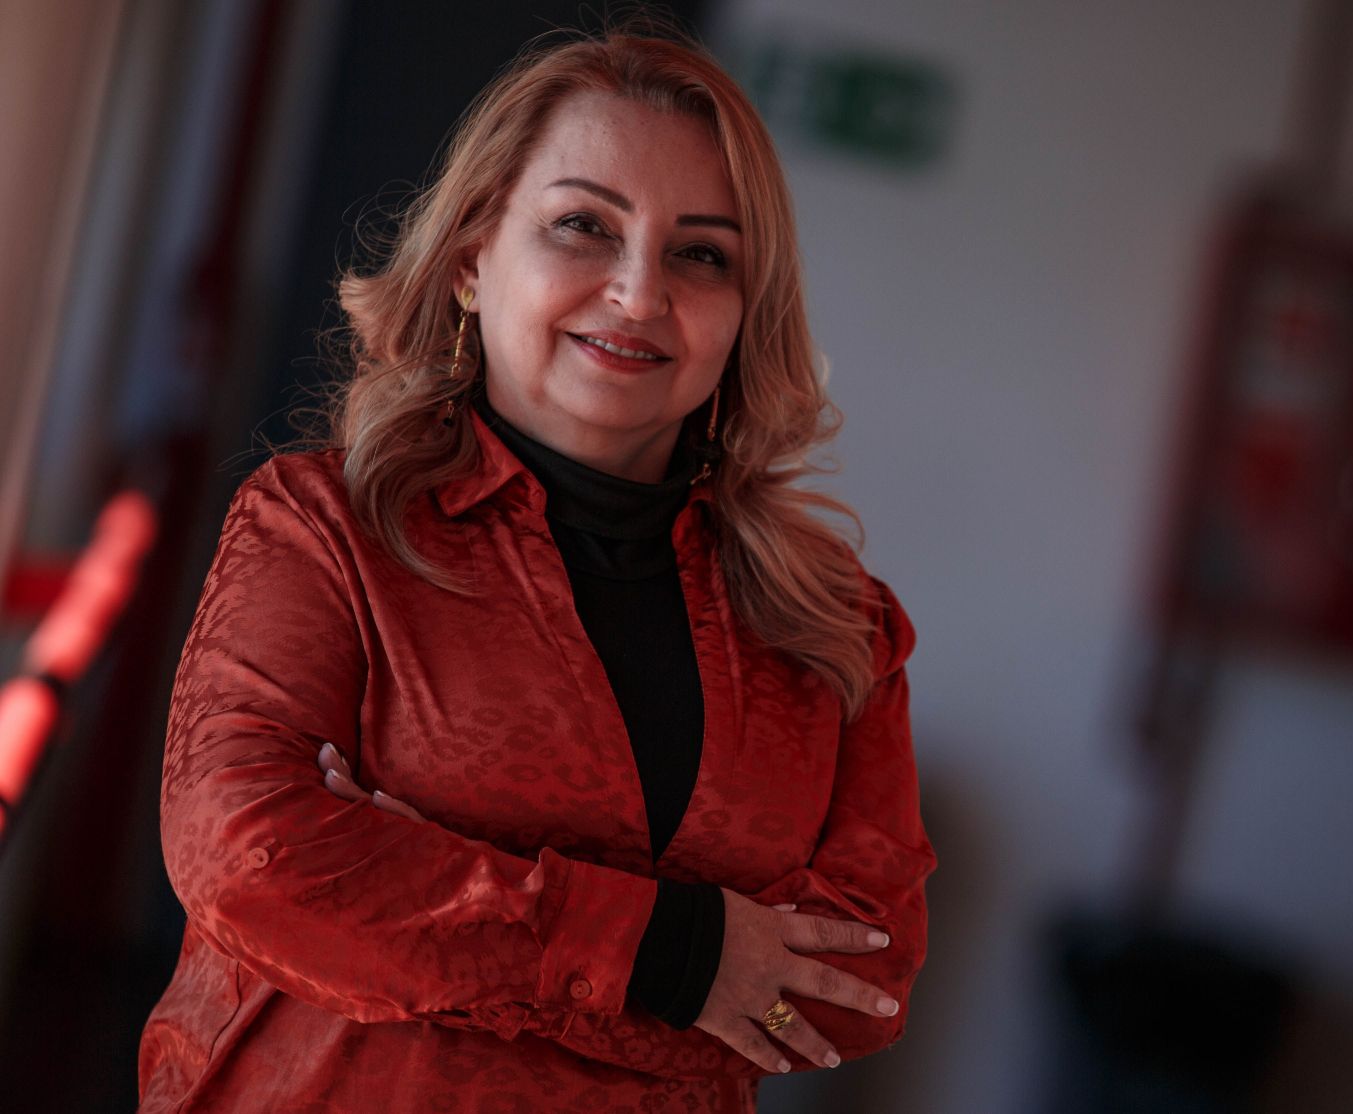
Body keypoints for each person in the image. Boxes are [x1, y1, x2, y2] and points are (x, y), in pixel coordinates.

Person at [136, 25, 934, 1114]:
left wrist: (425, 884)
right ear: (472, 257)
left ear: (747, 313)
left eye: (702, 254)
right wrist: (682, 957)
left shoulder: (836, 621)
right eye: (583, 227)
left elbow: (860, 989)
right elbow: (250, 861)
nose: (639, 293)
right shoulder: (321, 529)